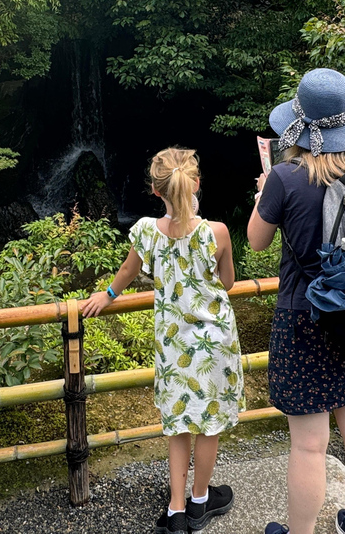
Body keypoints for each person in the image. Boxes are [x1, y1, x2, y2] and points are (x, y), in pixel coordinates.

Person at [83, 146, 245, 534]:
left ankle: (175, 511)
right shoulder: (217, 232)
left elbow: (127, 269)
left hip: (173, 346)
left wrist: (106, 295)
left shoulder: (144, 230)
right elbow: (227, 282)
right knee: (208, 425)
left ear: (156, 192)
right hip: (215, 344)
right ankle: (201, 501)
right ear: (197, 184)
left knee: (177, 424)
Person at [247, 67, 345, 534]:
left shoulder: (285, 178)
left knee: (309, 446)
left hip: (303, 316)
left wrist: (263, 195)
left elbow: (256, 242)